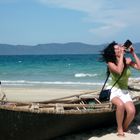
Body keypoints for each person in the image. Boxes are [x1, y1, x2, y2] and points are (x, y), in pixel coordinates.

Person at [101, 41, 140, 136]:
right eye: (117, 48)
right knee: (120, 105)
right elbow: (119, 70)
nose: (119, 49)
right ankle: (119, 129)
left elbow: (139, 67)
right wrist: (122, 55)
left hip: (124, 91)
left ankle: (125, 127)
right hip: (114, 90)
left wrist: (133, 53)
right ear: (113, 52)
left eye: (120, 47)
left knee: (131, 111)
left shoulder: (127, 60)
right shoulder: (110, 63)